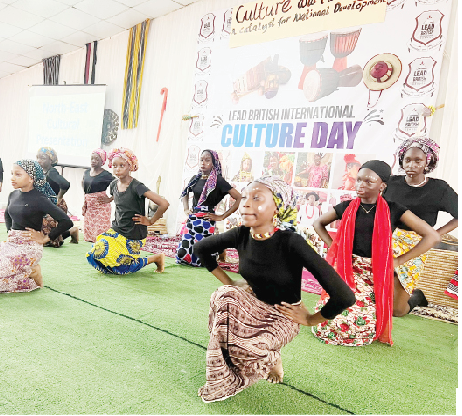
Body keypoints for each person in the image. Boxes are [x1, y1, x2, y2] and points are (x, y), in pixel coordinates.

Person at [191, 176, 354, 403]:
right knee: (223, 296)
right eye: (245, 197)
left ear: (277, 207)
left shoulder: (291, 242)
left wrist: (310, 319)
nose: (245, 203)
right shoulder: (241, 235)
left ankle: (271, 358)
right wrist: (230, 283)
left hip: (283, 315)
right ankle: (225, 376)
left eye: (256, 198)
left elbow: (344, 296)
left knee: (248, 348)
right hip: (252, 305)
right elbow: (200, 248)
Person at [311, 160, 439, 346]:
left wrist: (399, 260)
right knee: (330, 319)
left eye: (368, 181)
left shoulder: (394, 210)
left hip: (375, 273)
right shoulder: (347, 207)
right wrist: (335, 248)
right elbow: (318, 224)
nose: (361, 185)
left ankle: (415, 298)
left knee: (357, 322)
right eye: (359, 180)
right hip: (349, 270)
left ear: (382, 185)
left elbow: (432, 236)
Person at [0, 160, 72, 294]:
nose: (12, 178)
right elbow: (7, 215)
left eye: (18, 174)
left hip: (29, 248)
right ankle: (26, 271)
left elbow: (66, 221)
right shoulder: (13, 195)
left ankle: (33, 274)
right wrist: (10, 231)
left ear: (31, 178)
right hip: (11, 243)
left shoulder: (40, 199)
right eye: (12, 174)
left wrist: (45, 238)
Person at [383, 137, 456, 303]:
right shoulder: (391, 183)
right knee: (376, 295)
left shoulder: (439, 188)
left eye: (418, 161)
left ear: (427, 162)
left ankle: (417, 297)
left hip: (417, 245)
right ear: (402, 160)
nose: (412, 165)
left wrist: (435, 233)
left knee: (397, 310)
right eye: (407, 160)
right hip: (388, 240)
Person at [85, 148, 168, 274]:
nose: (117, 169)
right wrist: (108, 200)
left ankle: (156, 258)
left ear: (130, 166)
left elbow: (164, 204)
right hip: (117, 229)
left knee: (121, 269)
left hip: (133, 233)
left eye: (122, 165)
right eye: (114, 166)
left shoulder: (137, 186)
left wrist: (150, 221)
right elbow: (118, 197)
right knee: (96, 252)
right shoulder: (113, 184)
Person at [177, 150, 242, 267]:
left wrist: (222, 216)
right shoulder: (195, 178)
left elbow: (239, 198)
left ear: (214, 163)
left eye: (207, 160)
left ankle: (218, 252)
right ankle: (219, 250)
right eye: (201, 159)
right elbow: (185, 193)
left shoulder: (219, 181)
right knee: (182, 255)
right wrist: (186, 209)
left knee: (201, 260)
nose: (203, 163)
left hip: (206, 220)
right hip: (193, 219)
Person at [37, 147, 79, 246]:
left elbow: (65, 184)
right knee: (46, 238)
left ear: (51, 160)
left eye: (42, 158)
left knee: (50, 241)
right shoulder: (43, 172)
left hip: (55, 206)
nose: (39, 160)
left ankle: (71, 231)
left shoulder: (52, 172)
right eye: (37, 158)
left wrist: (58, 198)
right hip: (47, 205)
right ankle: (72, 231)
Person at [82, 149, 116, 243]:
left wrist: (110, 198)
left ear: (102, 161)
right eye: (92, 158)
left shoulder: (106, 175)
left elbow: (118, 184)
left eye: (96, 159)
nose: (93, 161)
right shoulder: (86, 172)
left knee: (100, 234)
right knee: (90, 233)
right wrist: (84, 201)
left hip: (101, 206)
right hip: (90, 205)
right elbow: (84, 186)